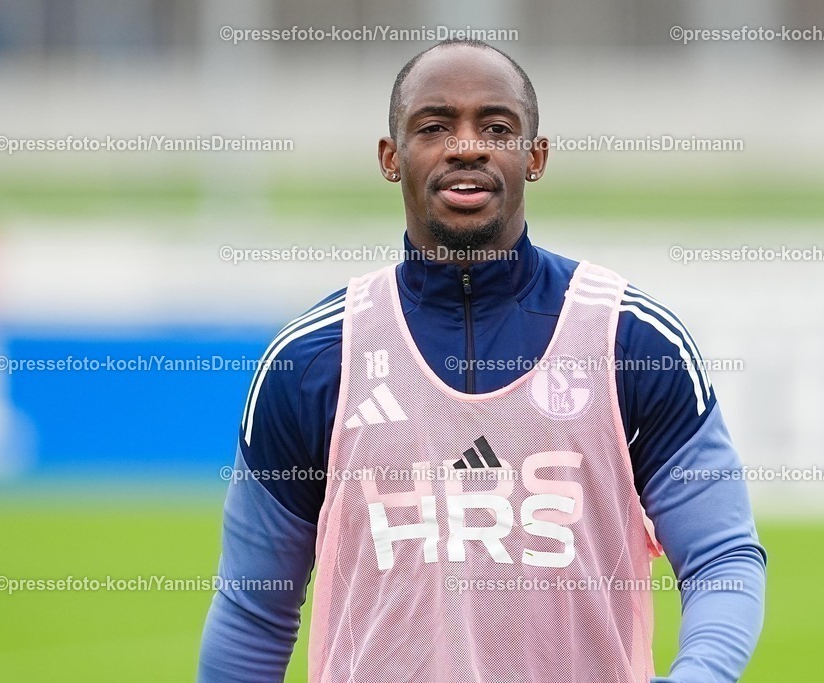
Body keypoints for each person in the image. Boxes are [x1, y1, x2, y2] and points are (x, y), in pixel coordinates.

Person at [198, 38, 766, 683]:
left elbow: (722, 559)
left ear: (536, 156)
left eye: (497, 127)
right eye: (434, 126)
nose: (467, 146)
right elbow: (253, 612)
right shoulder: (312, 361)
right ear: (391, 158)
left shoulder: (631, 342)